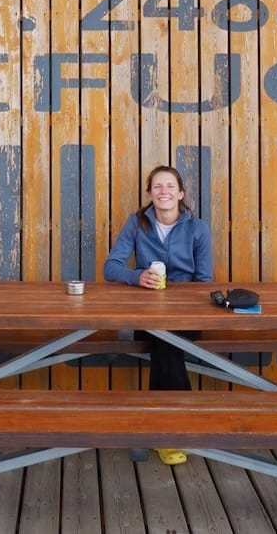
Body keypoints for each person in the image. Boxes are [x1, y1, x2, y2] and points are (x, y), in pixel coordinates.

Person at [103, 164, 212, 466]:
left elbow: (204, 282)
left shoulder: (198, 229)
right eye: (157, 187)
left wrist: (185, 303)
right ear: (150, 193)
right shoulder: (137, 224)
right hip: (146, 315)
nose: (163, 192)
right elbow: (110, 268)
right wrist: (137, 276)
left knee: (168, 343)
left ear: (180, 193)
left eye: (169, 186)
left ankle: (166, 432)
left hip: (187, 318)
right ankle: (176, 429)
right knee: (165, 342)